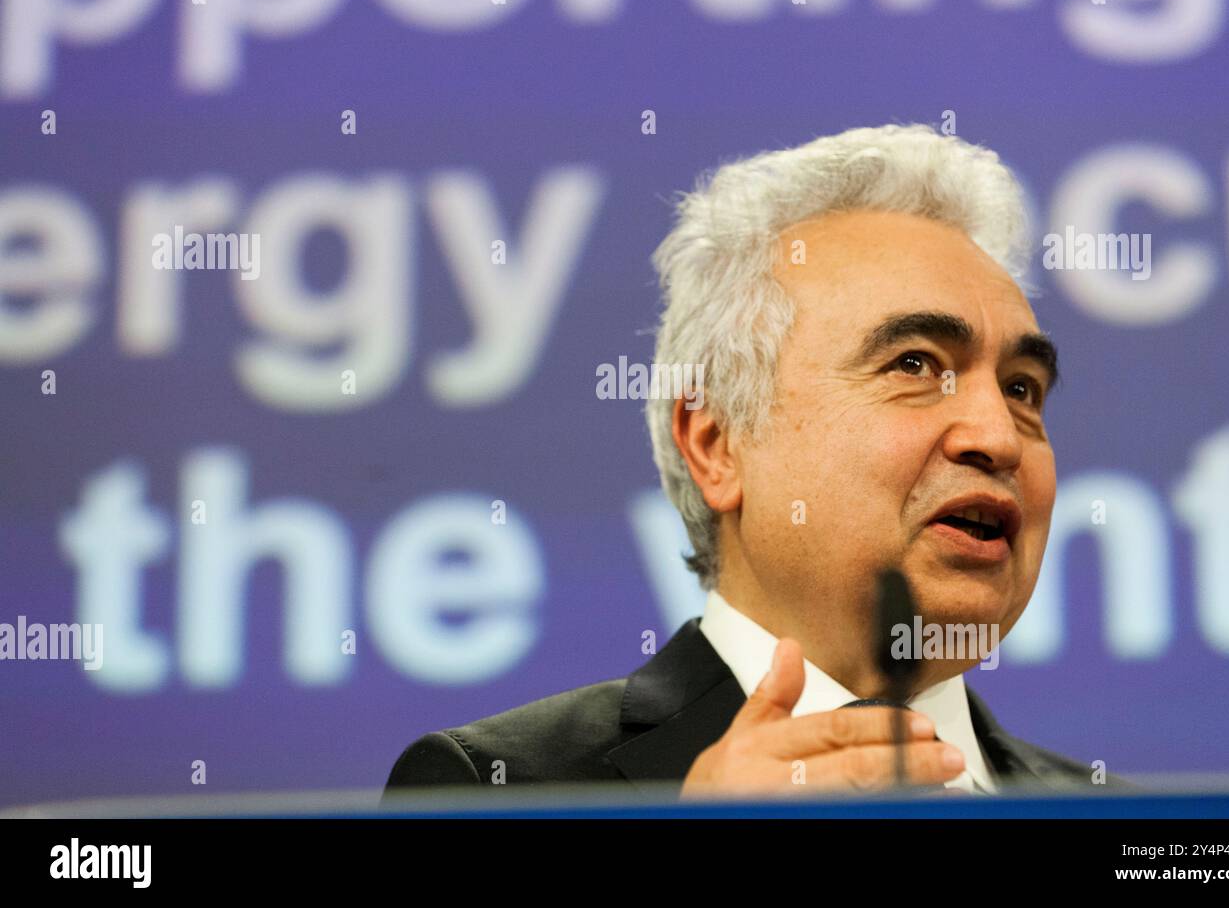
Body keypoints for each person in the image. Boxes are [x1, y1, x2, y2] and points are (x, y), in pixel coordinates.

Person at [384, 123, 1131, 800]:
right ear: (717, 443)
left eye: (1022, 388)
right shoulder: (496, 791)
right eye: (913, 364)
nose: (998, 438)